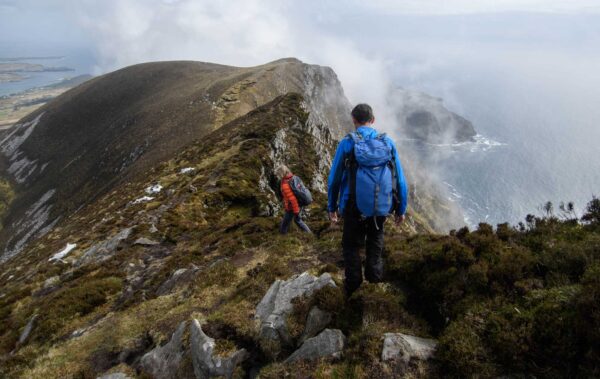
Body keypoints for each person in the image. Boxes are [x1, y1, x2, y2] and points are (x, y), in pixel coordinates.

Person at [327, 103, 408, 296]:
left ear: (354, 120)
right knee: (375, 240)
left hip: (353, 205)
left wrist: (332, 207)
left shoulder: (347, 143)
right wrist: (401, 209)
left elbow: (334, 179)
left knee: (350, 244)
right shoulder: (387, 143)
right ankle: (374, 283)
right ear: (373, 120)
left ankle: (353, 286)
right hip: (381, 204)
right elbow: (401, 180)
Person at [276, 165, 312, 234]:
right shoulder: (293, 177)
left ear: (281, 173)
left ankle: (283, 237)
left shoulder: (285, 185)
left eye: (278, 174)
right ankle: (309, 234)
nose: (278, 176)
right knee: (298, 220)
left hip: (292, 207)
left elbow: (292, 199)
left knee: (285, 224)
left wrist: (296, 210)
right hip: (299, 203)